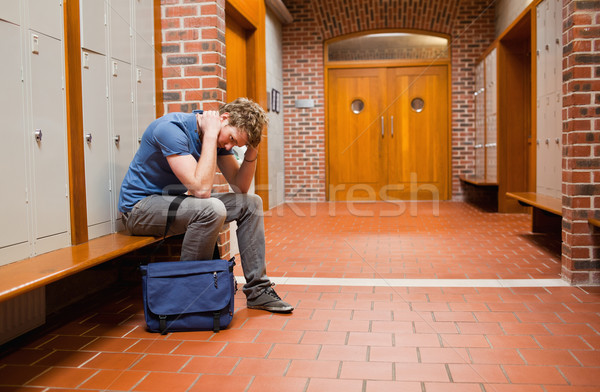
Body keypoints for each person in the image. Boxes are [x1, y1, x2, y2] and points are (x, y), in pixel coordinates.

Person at [118, 98, 293, 313]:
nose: (229, 147)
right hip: (139, 209)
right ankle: (190, 293)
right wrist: (211, 136)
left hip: (172, 203)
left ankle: (259, 291)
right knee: (211, 208)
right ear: (224, 118)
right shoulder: (171, 130)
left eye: (235, 145)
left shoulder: (218, 137)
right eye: (231, 139)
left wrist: (252, 150)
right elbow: (201, 190)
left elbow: (240, 188)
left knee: (251, 203)